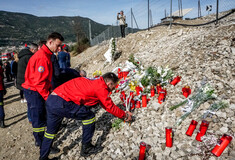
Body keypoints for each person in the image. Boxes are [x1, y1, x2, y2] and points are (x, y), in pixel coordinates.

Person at [39, 72, 132, 160]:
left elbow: (95, 100)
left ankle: (43, 157)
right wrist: (124, 115)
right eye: (113, 87)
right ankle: (86, 147)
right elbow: (109, 106)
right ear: (109, 83)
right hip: (62, 102)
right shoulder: (101, 88)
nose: (113, 89)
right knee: (89, 117)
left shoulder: (94, 81)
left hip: (52, 99)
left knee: (50, 132)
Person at [22, 32, 64, 147]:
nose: (59, 48)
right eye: (58, 45)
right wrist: (48, 98)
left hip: (36, 89)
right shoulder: (42, 57)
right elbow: (39, 82)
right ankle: (42, 145)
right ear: (50, 42)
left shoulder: (46, 54)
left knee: (41, 116)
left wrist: (50, 90)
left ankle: (42, 141)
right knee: (38, 118)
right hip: (34, 91)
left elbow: (45, 78)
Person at [0, 61, 7, 128]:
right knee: (0, 105)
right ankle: (2, 121)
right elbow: (2, 78)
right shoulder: (0, 68)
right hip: (0, 89)